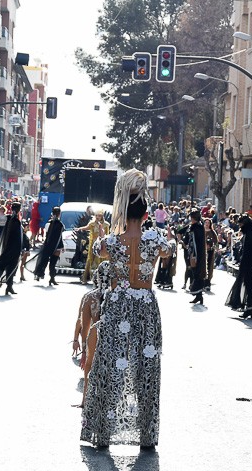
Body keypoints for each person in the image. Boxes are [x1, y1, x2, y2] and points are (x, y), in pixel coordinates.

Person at [80, 169, 171, 449]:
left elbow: (97, 251)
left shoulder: (109, 243)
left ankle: (104, 433)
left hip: (118, 305)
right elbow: (168, 252)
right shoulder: (156, 241)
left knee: (110, 364)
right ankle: (146, 435)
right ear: (146, 215)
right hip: (145, 305)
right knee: (146, 369)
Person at [73, 262, 112, 408]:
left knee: (89, 368)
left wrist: (83, 350)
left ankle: (85, 401)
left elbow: (84, 326)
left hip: (95, 336)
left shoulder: (90, 297)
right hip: (115, 338)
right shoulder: (121, 297)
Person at [226, 213, 252, 319]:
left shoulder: (250, 232)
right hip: (250, 262)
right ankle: (249, 307)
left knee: (249, 285)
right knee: (249, 285)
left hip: (249, 263)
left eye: (240, 225)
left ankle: (249, 307)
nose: (240, 227)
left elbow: (249, 250)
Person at [33, 206, 64, 284]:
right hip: (57, 246)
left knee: (44, 261)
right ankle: (52, 278)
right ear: (59, 214)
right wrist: (61, 246)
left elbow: (47, 236)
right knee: (53, 263)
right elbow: (60, 237)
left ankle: (40, 273)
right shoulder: (60, 224)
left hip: (48, 245)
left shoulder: (48, 223)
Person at [77, 209, 109, 284]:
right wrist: (80, 228)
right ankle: (85, 277)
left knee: (100, 260)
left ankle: (100, 278)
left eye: (100, 216)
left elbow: (107, 235)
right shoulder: (92, 224)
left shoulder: (106, 225)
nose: (98, 217)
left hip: (101, 244)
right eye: (97, 216)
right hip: (93, 244)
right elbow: (86, 227)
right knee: (90, 259)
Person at [187, 209, 207, 306]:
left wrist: (194, 255)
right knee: (194, 273)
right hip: (193, 253)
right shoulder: (195, 227)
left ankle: (199, 294)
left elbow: (196, 243)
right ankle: (198, 296)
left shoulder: (197, 228)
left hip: (196, 254)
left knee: (197, 273)